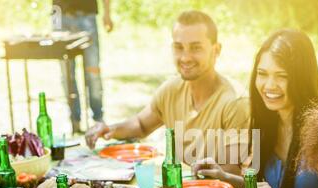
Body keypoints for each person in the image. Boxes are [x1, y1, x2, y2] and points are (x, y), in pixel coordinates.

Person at [193, 29, 318, 188]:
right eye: (262, 74)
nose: (269, 85)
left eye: (281, 76)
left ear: (301, 79)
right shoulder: (268, 123)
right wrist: (224, 177)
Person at [85, 10, 250, 174]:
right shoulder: (171, 89)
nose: (185, 57)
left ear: (216, 50)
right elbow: (141, 125)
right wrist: (109, 129)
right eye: (179, 47)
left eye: (196, 48)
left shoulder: (234, 102)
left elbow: (231, 173)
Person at [52, 0, 113, 134]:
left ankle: (98, 120)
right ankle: (75, 121)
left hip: (87, 15)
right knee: (67, 75)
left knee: (93, 71)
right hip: (60, 15)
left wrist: (107, 13)